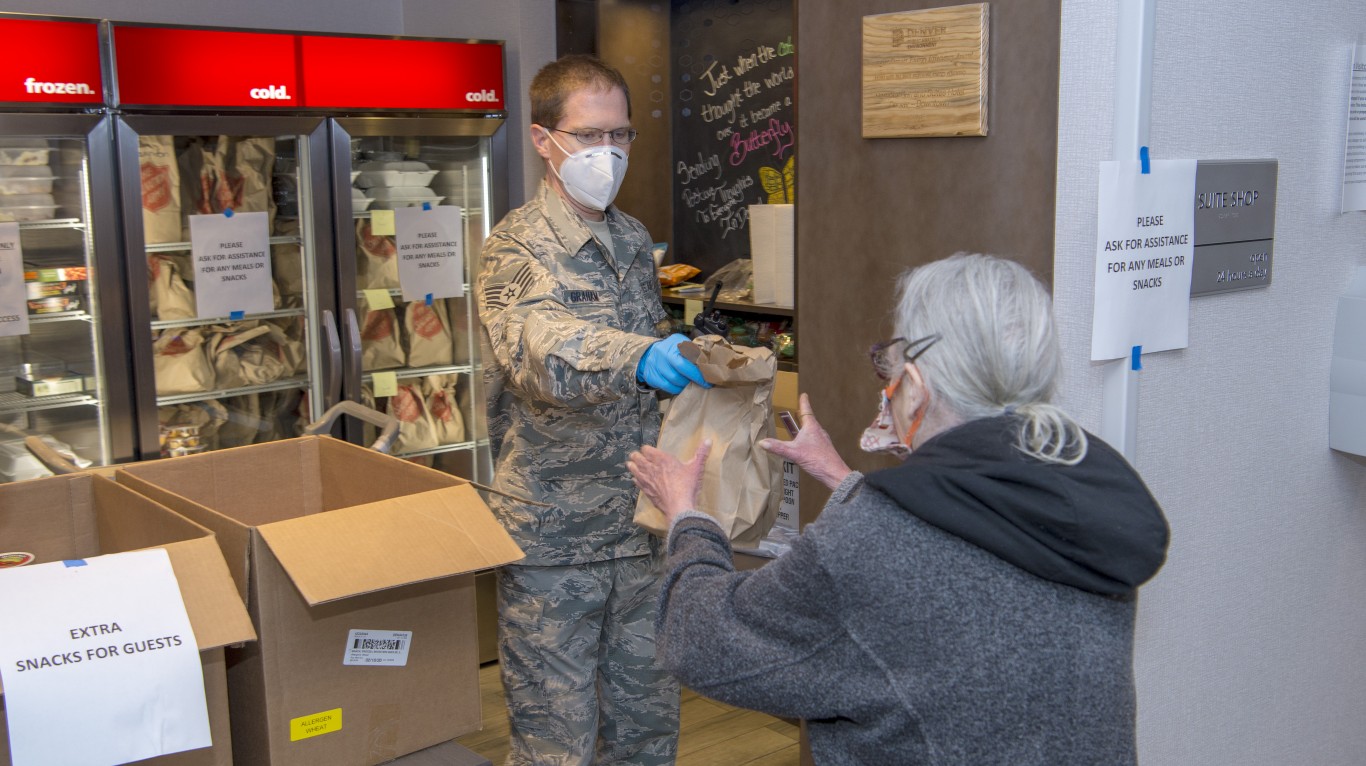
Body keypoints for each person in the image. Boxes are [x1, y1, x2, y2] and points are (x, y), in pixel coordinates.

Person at [627, 253, 1170, 765]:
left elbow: (703, 641)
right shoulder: (1088, 492)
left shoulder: (872, 541)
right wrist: (842, 479)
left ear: (913, 385)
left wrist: (686, 517)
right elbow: (954, 588)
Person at [475, 54, 709, 765]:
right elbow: (534, 348)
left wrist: (679, 355)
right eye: (589, 135)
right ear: (545, 141)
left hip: (640, 529)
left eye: (621, 136)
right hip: (556, 542)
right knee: (558, 743)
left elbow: (640, 348)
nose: (607, 153)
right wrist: (634, 357)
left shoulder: (633, 240)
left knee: (646, 731)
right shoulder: (513, 246)